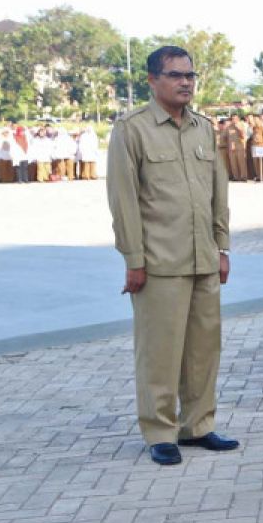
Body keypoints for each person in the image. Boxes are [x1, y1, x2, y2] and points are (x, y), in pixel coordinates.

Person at [105, 46, 238, 466]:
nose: (186, 82)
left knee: (203, 350)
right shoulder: (133, 129)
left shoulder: (203, 128)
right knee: (160, 351)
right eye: (176, 75)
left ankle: (198, 425)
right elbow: (124, 200)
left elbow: (219, 192)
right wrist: (134, 258)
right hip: (159, 261)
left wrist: (222, 247)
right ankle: (160, 431)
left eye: (190, 75)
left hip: (202, 257)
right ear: (152, 80)